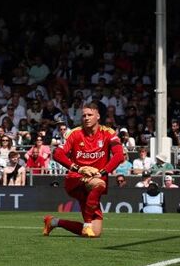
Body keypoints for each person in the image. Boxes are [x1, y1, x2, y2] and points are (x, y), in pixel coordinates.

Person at [44, 101, 125, 238]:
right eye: (84, 115)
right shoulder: (75, 133)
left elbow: (119, 155)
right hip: (76, 179)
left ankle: (53, 222)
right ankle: (87, 223)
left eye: (90, 115)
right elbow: (57, 153)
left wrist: (102, 172)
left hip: (96, 180)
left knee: (94, 233)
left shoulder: (108, 133)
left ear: (98, 116)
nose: (86, 118)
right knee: (99, 184)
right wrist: (79, 169)